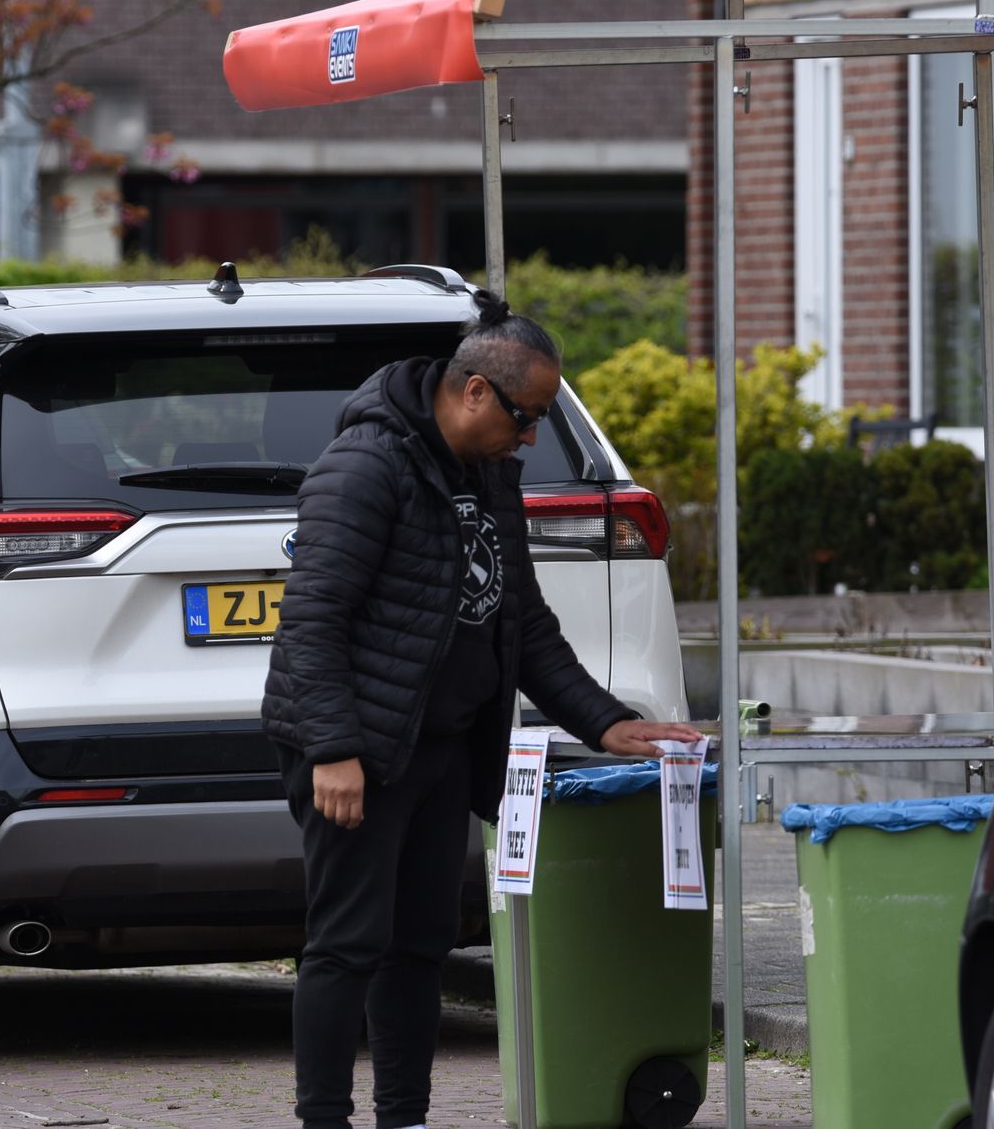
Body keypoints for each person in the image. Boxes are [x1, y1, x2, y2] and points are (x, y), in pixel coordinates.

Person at [262, 288, 701, 1129]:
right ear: (473, 392)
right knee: (347, 945)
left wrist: (604, 720)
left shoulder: (488, 471)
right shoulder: (364, 468)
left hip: (442, 744)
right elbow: (312, 618)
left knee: (421, 944)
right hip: (360, 743)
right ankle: (323, 1120)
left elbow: (520, 619)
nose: (532, 437)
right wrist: (332, 749)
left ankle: (406, 1118)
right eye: (526, 416)